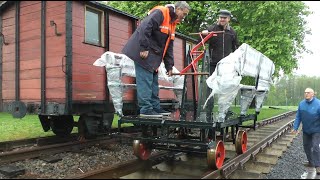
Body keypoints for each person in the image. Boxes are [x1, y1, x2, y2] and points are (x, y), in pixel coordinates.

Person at [122, 1, 191, 118]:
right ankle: (146, 109)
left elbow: (169, 47)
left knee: (153, 82)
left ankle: (154, 107)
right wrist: (143, 47)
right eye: (183, 14)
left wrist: (169, 66)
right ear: (178, 9)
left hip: (154, 56)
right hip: (143, 53)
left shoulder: (172, 23)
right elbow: (144, 28)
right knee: (145, 81)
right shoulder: (161, 12)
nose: (183, 17)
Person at [200, 9, 240, 121]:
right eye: (221, 17)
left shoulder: (232, 32)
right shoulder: (211, 29)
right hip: (213, 64)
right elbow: (200, 41)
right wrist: (203, 35)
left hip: (226, 66)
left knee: (226, 88)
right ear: (218, 18)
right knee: (211, 87)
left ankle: (224, 111)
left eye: (224, 18)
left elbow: (236, 48)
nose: (222, 19)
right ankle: (209, 112)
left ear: (228, 19)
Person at [292, 87, 320, 175]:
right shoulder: (301, 104)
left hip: (316, 130)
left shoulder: (318, 104)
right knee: (306, 147)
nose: (306, 94)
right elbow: (298, 117)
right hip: (306, 130)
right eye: (305, 92)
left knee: (315, 147)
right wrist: (295, 127)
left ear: (312, 94)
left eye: (308, 92)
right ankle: (311, 162)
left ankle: (318, 166)